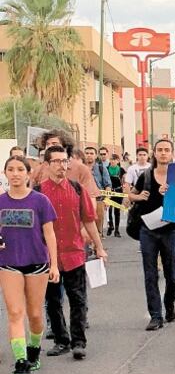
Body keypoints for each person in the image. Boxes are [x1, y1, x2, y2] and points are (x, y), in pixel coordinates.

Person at [37, 145, 107, 360]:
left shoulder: (77, 189)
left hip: (74, 253)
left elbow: (89, 220)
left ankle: (78, 341)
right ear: (47, 165)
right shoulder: (38, 193)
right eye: (56, 161)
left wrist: (99, 246)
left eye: (64, 161)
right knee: (53, 301)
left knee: (77, 299)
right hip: (49, 257)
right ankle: (61, 340)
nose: (61, 166)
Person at [1, 155, 58, 374]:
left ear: (28, 174)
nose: (15, 173)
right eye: (11, 169)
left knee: (34, 314)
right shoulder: (1, 201)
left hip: (36, 263)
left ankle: (34, 349)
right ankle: (21, 362)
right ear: (5, 174)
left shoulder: (40, 201)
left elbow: (50, 234)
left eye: (19, 169)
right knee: (15, 313)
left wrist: (54, 264)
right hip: (8, 263)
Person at [128, 138, 175, 331]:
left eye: (167, 150)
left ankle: (170, 305)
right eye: (160, 150)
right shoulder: (146, 175)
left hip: (170, 230)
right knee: (150, 274)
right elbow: (131, 194)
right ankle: (156, 315)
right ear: (154, 153)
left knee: (171, 274)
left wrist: (173, 192)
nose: (163, 153)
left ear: (172, 153)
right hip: (147, 229)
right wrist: (138, 197)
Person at [84, 146, 111, 236]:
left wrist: (107, 199)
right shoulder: (80, 168)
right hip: (83, 201)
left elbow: (107, 185)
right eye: (87, 153)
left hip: (99, 200)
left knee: (97, 227)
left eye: (91, 153)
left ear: (96, 156)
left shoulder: (101, 168)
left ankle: (97, 247)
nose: (89, 155)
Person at [105, 154, 125, 237]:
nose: (113, 161)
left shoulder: (121, 170)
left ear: (118, 161)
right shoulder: (106, 169)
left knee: (117, 211)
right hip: (109, 192)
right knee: (109, 210)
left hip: (118, 191)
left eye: (115, 159)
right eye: (111, 159)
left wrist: (125, 192)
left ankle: (117, 230)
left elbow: (124, 181)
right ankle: (111, 226)